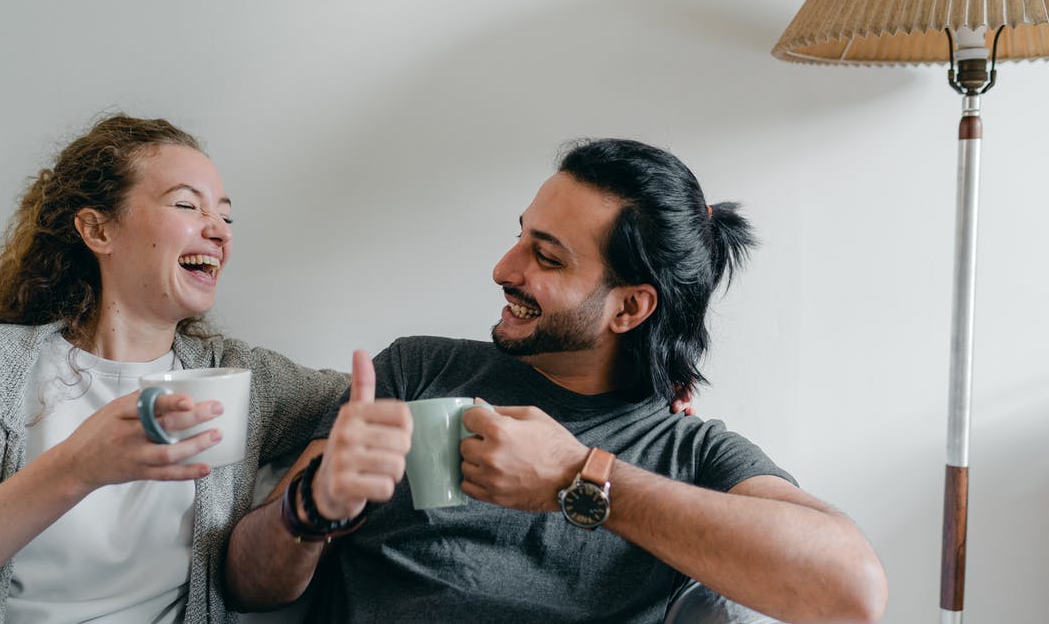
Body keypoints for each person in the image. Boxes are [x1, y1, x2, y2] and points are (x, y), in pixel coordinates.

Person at [224, 139, 889, 623]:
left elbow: (852, 590)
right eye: (521, 237)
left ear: (630, 307)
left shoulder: (690, 455)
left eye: (545, 257)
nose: (502, 268)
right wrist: (311, 507)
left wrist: (579, 478)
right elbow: (247, 582)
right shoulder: (417, 372)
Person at [0, 114, 349, 622]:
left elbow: (387, 392)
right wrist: (76, 469)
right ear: (98, 229)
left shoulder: (243, 378)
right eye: (186, 205)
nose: (218, 232)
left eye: (225, 217)